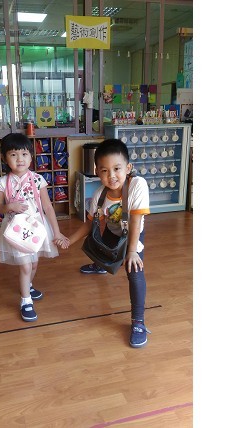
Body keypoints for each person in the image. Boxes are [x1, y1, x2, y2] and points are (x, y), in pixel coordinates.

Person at [58, 139, 151, 347]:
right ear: (96, 172)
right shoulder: (99, 194)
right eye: (104, 171)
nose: (111, 176)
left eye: (117, 169)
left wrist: (132, 252)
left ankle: (138, 321)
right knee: (99, 245)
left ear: (128, 167)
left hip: (133, 233)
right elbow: (89, 225)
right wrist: (69, 240)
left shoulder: (137, 185)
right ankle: (100, 265)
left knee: (134, 269)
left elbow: (135, 221)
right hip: (113, 229)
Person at [0, 133, 69, 322]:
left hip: (36, 227)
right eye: (13, 154)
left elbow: (48, 207)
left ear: (31, 157)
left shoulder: (38, 179)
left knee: (34, 263)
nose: (19, 159)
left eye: (24, 154)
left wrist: (57, 232)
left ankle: (27, 285)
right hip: (16, 230)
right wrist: (9, 207)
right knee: (26, 265)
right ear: (4, 158)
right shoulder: (3, 182)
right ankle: (25, 301)